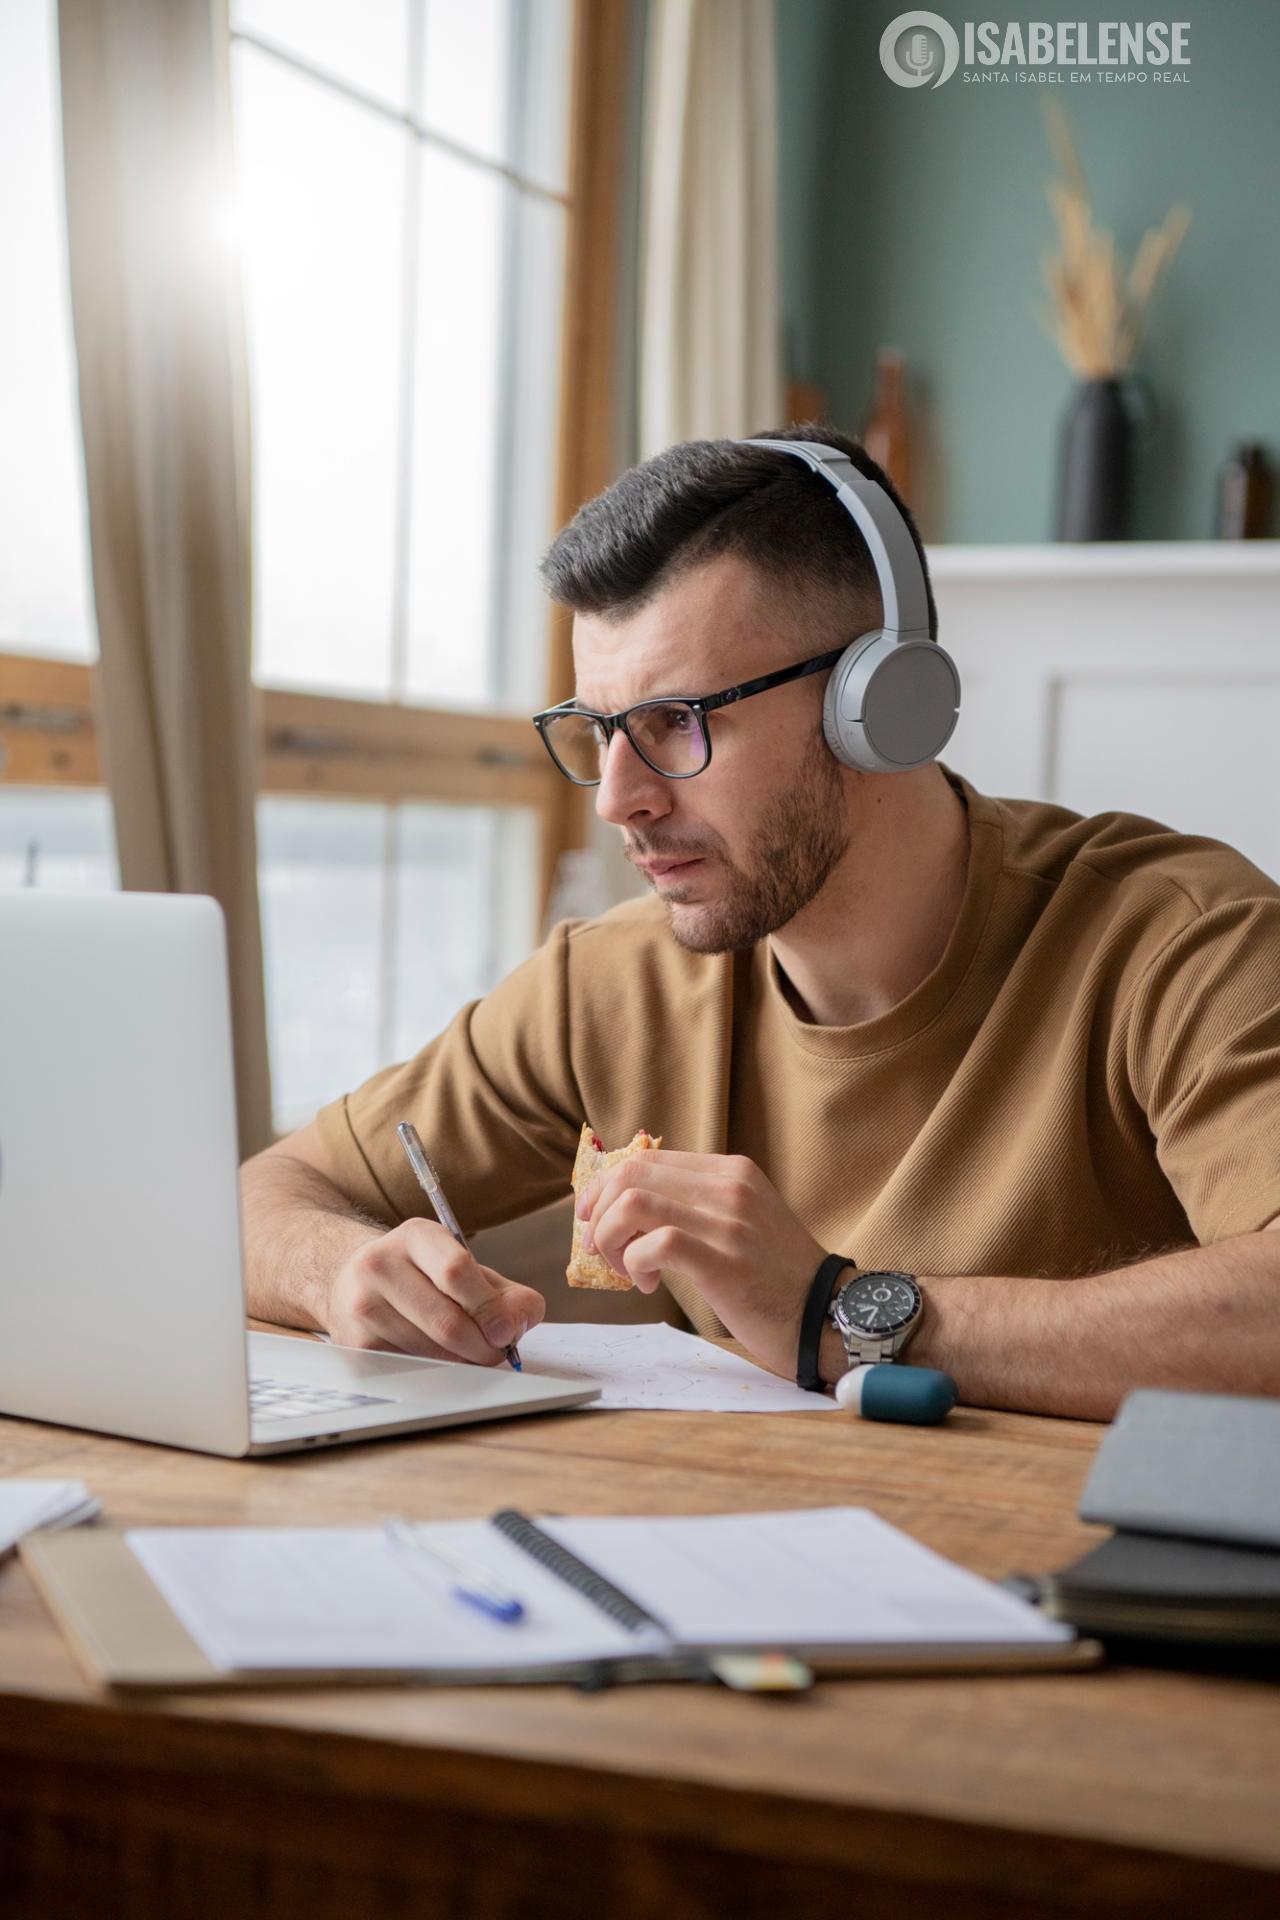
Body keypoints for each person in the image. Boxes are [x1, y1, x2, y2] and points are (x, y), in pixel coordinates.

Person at [240, 426, 1280, 1419]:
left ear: (879, 707)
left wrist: (833, 1313)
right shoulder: (609, 985)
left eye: (677, 721)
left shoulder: (1181, 942)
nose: (618, 801)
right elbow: (263, 1195)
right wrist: (342, 1273)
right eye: (599, 730)